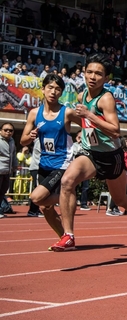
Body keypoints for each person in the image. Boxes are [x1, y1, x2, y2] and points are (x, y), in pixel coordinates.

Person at [51, 54, 127, 252]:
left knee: (120, 200)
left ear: (106, 78)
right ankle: (68, 235)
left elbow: (115, 130)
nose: (93, 77)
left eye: (98, 74)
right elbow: (84, 122)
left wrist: (89, 115)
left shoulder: (106, 99)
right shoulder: (81, 95)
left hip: (111, 156)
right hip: (90, 153)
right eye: (90, 72)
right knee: (67, 182)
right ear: (84, 73)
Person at [21, 73, 76, 239]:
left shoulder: (67, 113)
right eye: (50, 88)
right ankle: (65, 238)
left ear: (61, 93)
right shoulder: (34, 114)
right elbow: (23, 140)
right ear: (43, 89)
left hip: (62, 164)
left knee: (36, 198)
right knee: (45, 208)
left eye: (58, 89)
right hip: (43, 163)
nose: (53, 92)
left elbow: (88, 125)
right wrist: (30, 136)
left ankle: (68, 197)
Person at [0, 123, 18, 219]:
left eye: (11, 130)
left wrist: (15, 164)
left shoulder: (12, 141)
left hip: (7, 171)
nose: (8, 132)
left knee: (2, 191)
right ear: (1, 130)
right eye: (6, 130)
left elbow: (13, 154)